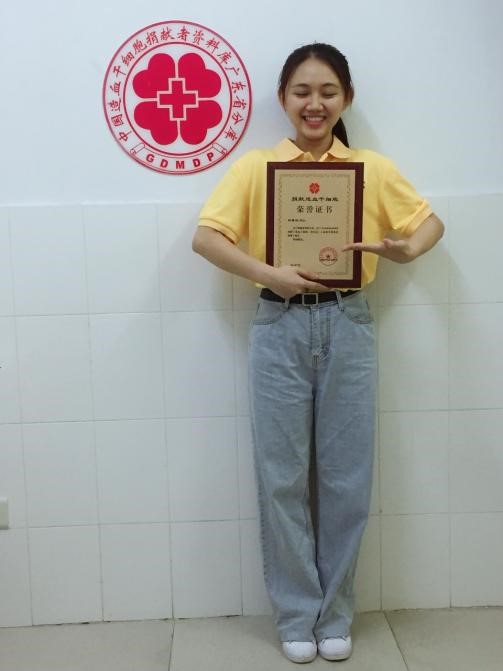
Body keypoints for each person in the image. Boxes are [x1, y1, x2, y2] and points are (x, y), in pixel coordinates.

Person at [192, 43, 444, 664]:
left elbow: (429, 224)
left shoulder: (369, 169)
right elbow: (206, 238)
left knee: (346, 478)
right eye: (302, 91)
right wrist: (269, 274)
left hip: (349, 323)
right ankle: (296, 614)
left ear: (346, 99)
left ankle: (336, 615)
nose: (315, 103)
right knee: (281, 478)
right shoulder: (256, 169)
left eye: (328, 91)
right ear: (283, 98)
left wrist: (407, 249)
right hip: (277, 324)